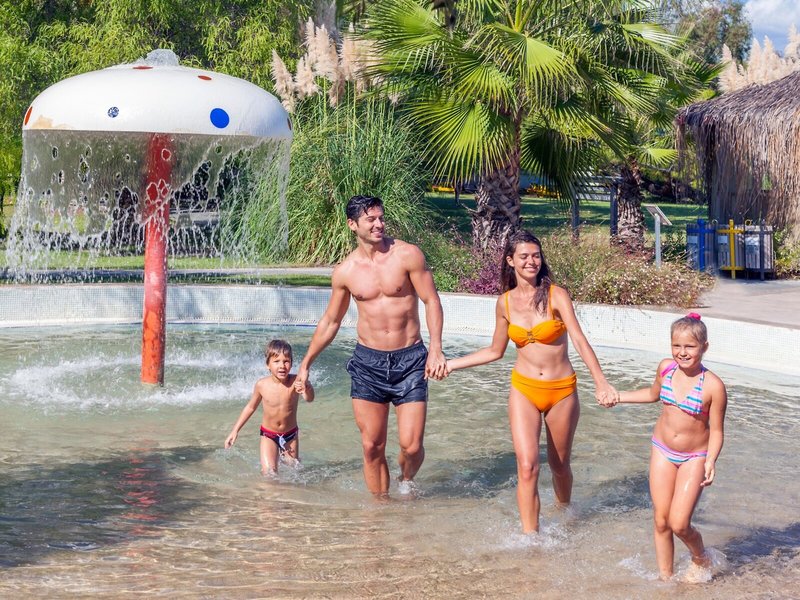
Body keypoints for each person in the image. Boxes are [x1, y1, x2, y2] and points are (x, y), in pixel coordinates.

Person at [446, 229, 617, 533]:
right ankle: (530, 538)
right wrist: (450, 365)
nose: (531, 261)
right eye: (524, 256)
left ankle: (565, 511)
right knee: (527, 466)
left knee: (559, 465)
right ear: (510, 260)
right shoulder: (504, 303)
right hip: (524, 389)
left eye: (536, 256)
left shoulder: (556, 295)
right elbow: (495, 350)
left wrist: (600, 382)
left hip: (560, 391)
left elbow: (579, 340)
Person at [295, 194, 446, 497]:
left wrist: (436, 348)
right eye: (371, 219)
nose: (379, 224)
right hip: (368, 364)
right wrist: (306, 363)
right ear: (352, 225)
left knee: (411, 446)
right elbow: (331, 321)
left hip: (410, 360)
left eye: (381, 218)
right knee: (371, 446)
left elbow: (431, 300)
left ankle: (406, 479)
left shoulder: (407, 255)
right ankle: (380, 510)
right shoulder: (346, 271)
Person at [609, 313, 727, 580]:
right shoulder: (665, 368)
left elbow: (717, 431)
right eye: (676, 345)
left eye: (690, 346)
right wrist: (619, 396)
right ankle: (666, 581)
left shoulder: (713, 386)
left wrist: (710, 461)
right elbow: (652, 395)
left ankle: (701, 557)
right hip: (662, 450)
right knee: (661, 520)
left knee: (679, 523)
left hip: (694, 457)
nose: (682, 352)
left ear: (704, 347)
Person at [225, 339, 315, 475]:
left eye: (286, 361)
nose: (282, 366)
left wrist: (307, 388)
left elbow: (309, 399)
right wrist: (235, 431)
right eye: (276, 361)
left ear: (291, 363)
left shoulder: (295, 381)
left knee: (293, 471)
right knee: (269, 473)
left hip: (290, 436)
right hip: (268, 435)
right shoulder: (261, 385)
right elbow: (250, 407)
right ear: (268, 364)